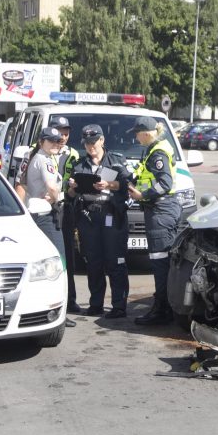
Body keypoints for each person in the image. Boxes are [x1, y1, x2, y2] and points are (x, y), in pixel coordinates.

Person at [68, 124, 131, 318]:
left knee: (115, 261)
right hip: (89, 217)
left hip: (111, 214)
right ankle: (96, 304)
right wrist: (73, 186)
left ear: (102, 140)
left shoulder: (116, 161)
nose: (90, 146)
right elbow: (70, 194)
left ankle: (119, 306)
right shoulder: (79, 165)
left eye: (93, 142)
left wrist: (109, 184)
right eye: (87, 143)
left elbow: (129, 185)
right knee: (93, 262)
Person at [15, 126, 75, 327]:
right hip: (46, 214)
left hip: (39, 213)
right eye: (50, 141)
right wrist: (60, 193)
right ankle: (60, 312)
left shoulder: (40, 157)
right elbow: (51, 188)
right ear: (41, 142)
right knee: (60, 263)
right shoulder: (43, 159)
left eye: (57, 141)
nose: (55, 144)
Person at [128, 116, 181, 326]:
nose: (135, 136)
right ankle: (164, 305)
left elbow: (165, 184)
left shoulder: (157, 152)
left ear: (147, 133)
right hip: (163, 209)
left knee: (160, 262)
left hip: (160, 210)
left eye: (137, 133)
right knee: (163, 261)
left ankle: (162, 310)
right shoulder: (156, 148)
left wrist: (143, 195)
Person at [51, 115, 83, 315]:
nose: (63, 137)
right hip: (46, 210)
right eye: (59, 132)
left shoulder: (73, 154)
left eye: (66, 133)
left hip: (66, 208)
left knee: (67, 257)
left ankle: (70, 300)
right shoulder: (41, 151)